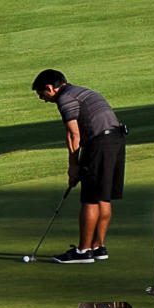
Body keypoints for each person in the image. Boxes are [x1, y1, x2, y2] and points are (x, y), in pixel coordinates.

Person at [31, 69, 123, 263]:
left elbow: (73, 135)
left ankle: (83, 251)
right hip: (116, 140)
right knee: (103, 197)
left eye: (42, 94)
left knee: (90, 198)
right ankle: (98, 247)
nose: (44, 99)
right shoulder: (83, 92)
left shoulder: (66, 99)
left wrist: (73, 167)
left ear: (50, 88)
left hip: (99, 143)